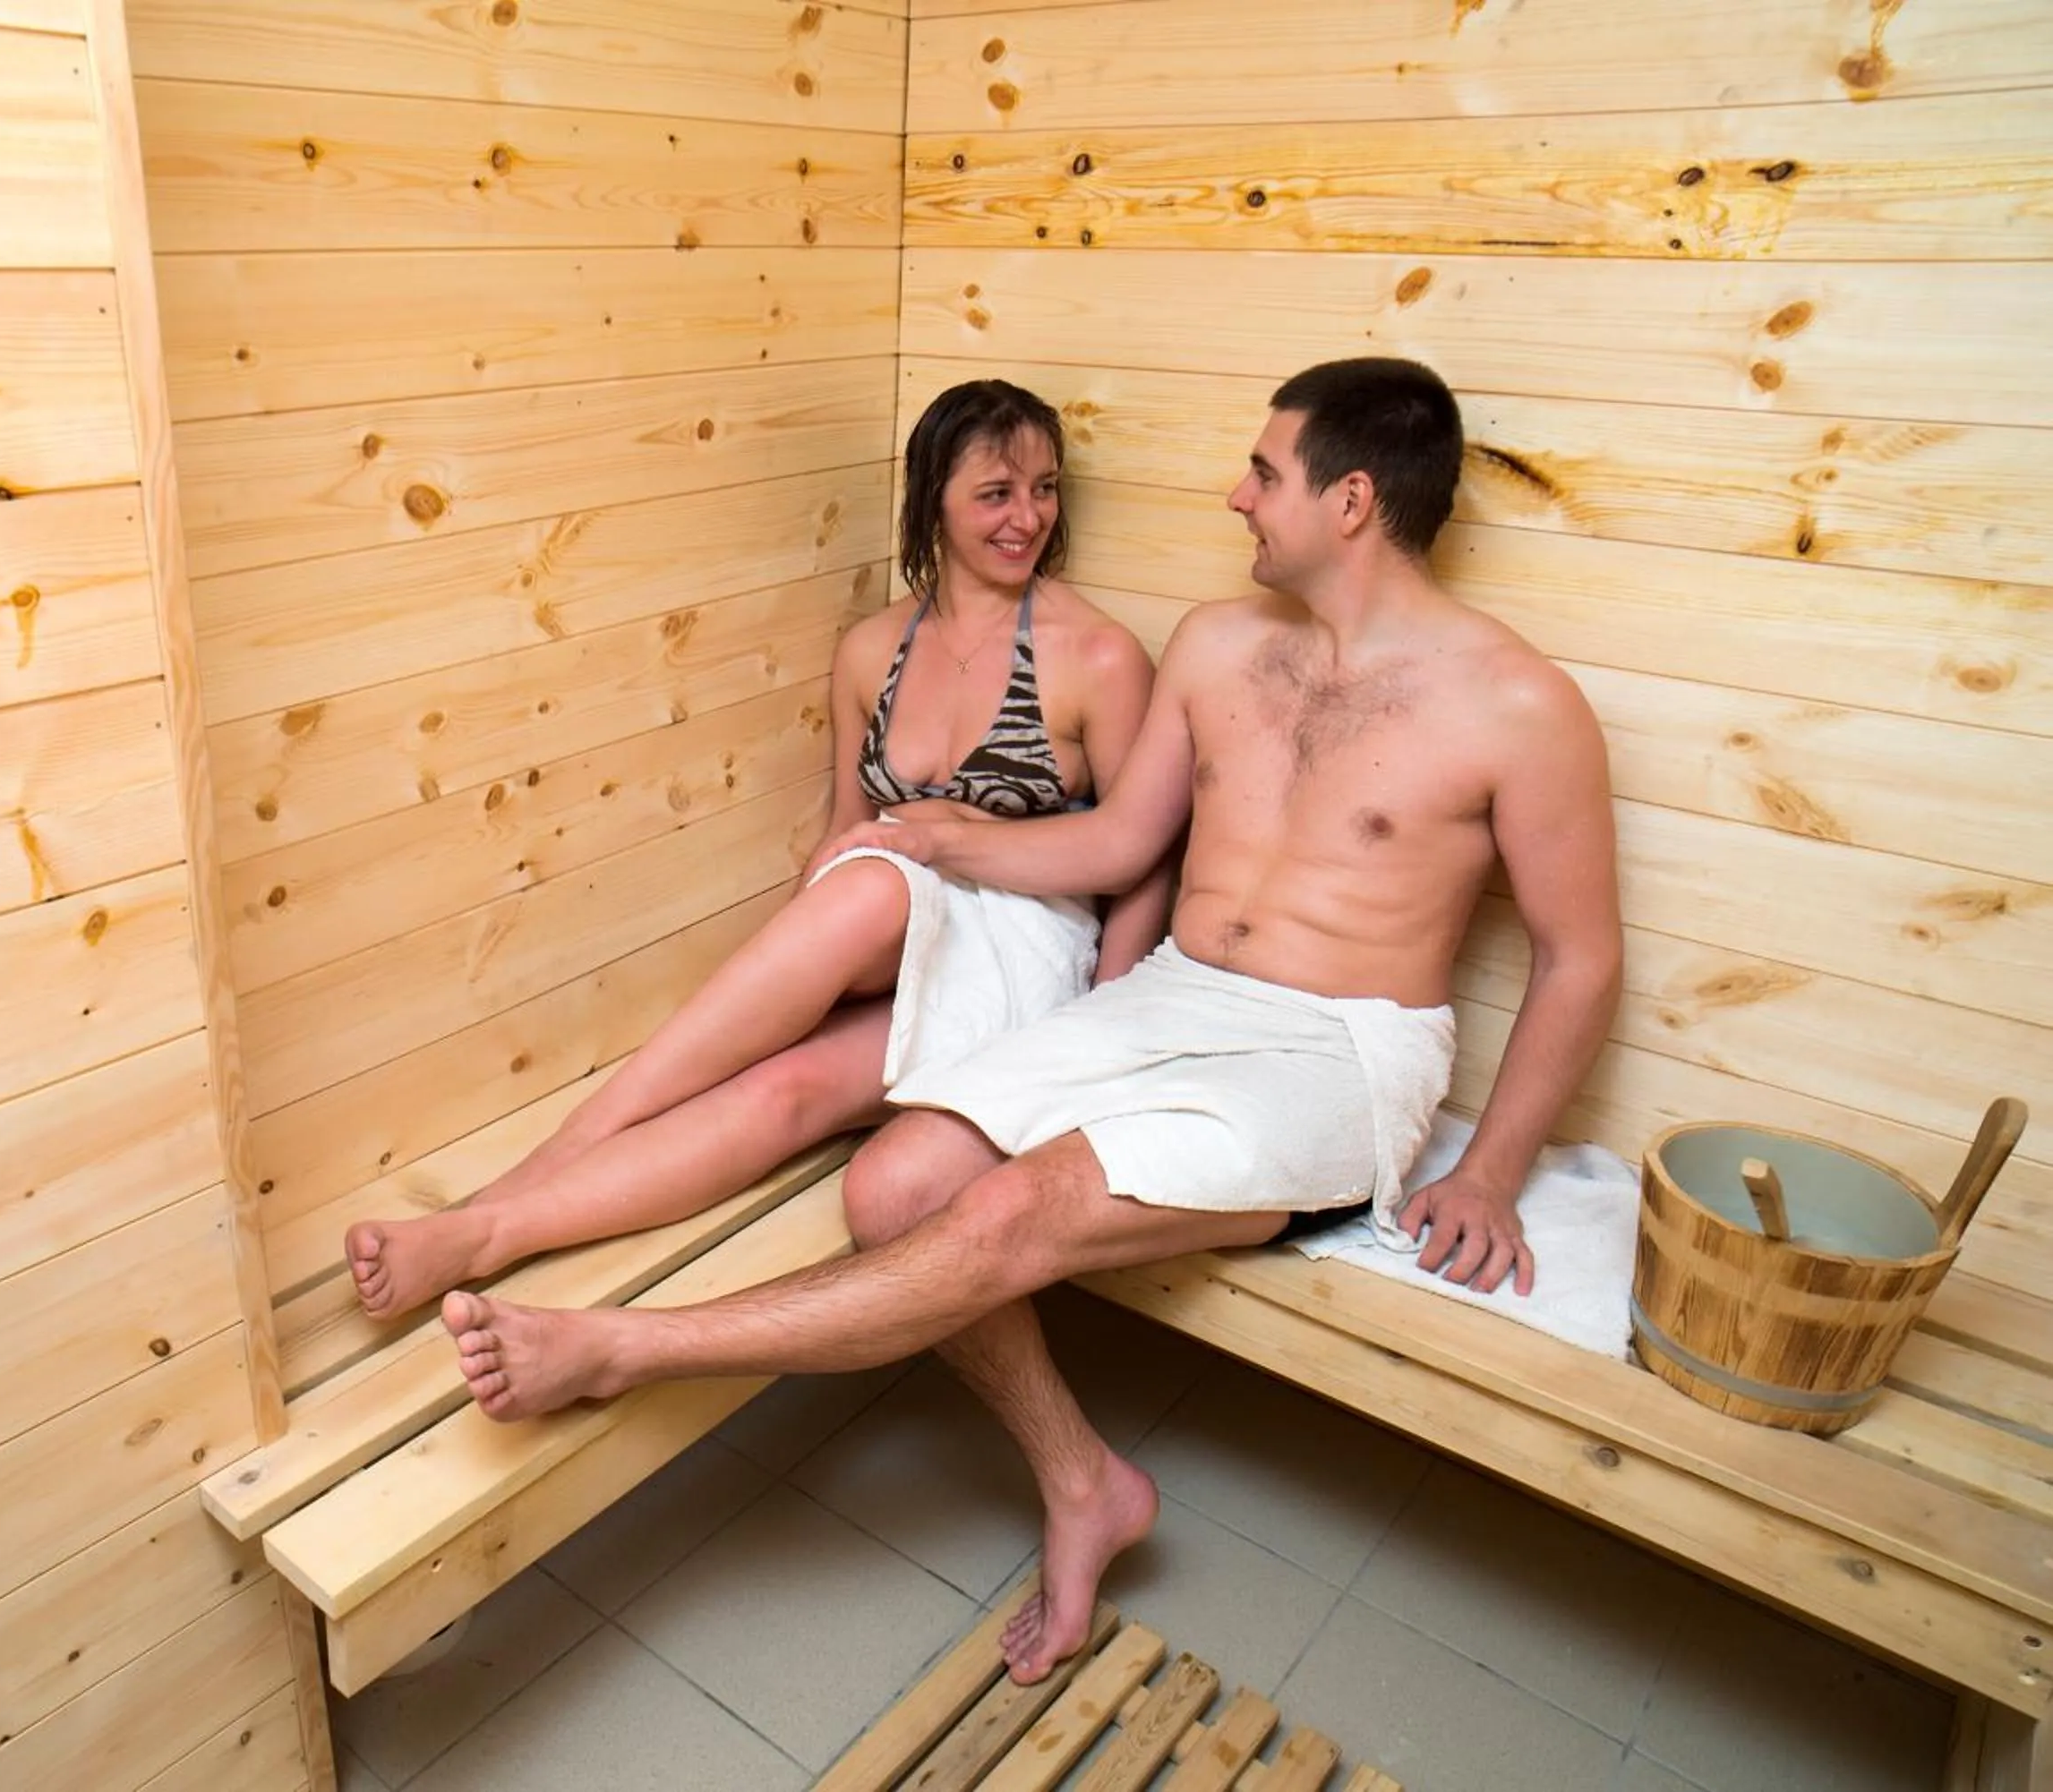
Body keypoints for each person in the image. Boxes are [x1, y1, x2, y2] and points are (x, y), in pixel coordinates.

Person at [434, 357, 1624, 1685]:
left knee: (1007, 1211)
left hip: (1338, 1048)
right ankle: (1085, 1480)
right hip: (1177, 992)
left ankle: (622, 1350)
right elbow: (1121, 835)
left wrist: (1495, 1171)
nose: (1236, 496)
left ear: (1351, 501)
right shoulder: (1221, 646)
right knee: (895, 1184)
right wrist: (948, 844)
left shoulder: (1519, 706)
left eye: (1265, 473)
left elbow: (1580, 959)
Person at [345, 380, 1171, 1321]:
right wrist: (806, 939)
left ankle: (521, 1181)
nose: (1028, 517)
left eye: (1046, 489)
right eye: (996, 492)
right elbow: (844, 825)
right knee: (786, 1086)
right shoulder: (871, 651)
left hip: (1025, 945)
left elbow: (1134, 855)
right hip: (893, 924)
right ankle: (484, 1233)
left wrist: (1105, 1016)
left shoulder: (1096, 656)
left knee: (867, 892)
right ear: (932, 495)